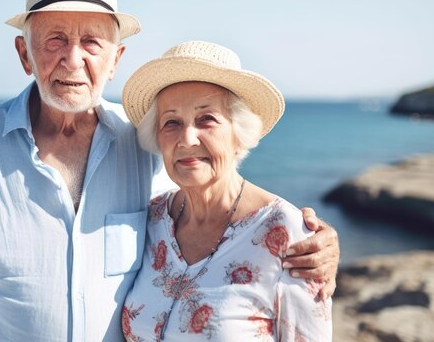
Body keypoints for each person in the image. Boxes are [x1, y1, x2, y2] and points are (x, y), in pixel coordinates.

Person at [0, 0, 339, 342]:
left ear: (115, 60)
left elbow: (216, 200)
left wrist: (318, 248)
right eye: (54, 40)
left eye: (92, 42)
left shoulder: (144, 145)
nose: (73, 59)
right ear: (24, 55)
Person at [120, 40, 332, 341]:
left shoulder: (287, 233)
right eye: (172, 122)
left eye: (206, 119)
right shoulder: (152, 219)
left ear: (239, 132)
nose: (187, 138)